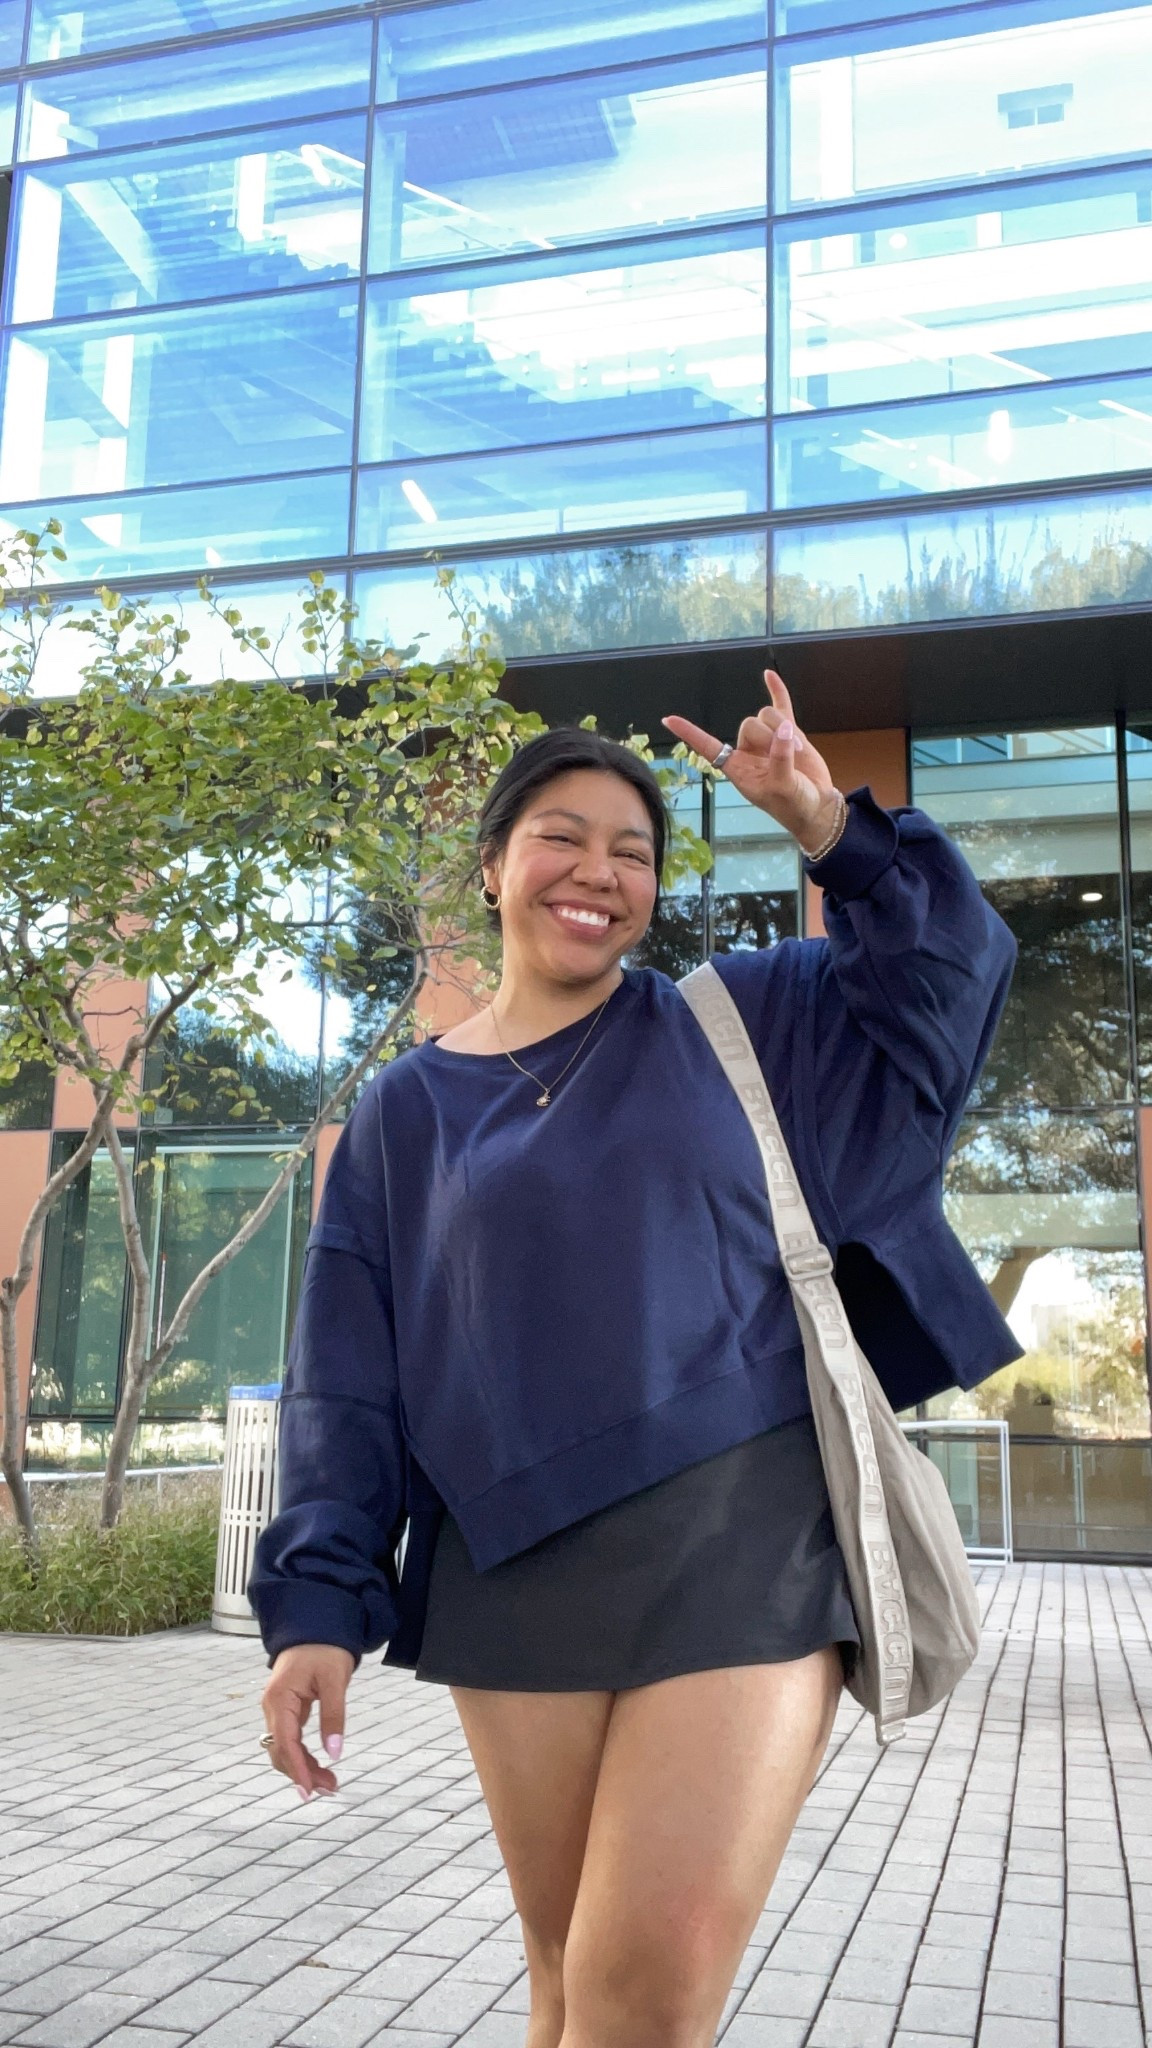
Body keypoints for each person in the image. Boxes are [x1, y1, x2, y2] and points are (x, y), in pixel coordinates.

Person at [250, 672, 1020, 2048]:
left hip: (744, 1539)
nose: (598, 872)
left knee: (643, 1991)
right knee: (564, 1979)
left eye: (635, 852)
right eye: (562, 835)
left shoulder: (739, 1023)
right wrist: (317, 1606)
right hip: (513, 1563)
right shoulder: (404, 1112)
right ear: (491, 866)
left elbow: (951, 980)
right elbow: (347, 1374)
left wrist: (827, 827)